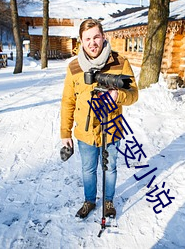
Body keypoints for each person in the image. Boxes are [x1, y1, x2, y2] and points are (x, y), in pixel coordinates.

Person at [60, 19, 138, 219]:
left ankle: (109, 201)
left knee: (110, 167)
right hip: (85, 132)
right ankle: (89, 201)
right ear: (81, 41)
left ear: (103, 37)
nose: (92, 42)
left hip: (112, 128)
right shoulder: (74, 67)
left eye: (96, 37)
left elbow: (134, 94)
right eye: (88, 39)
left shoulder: (120, 62)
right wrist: (65, 133)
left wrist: (117, 96)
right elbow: (68, 101)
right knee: (88, 169)